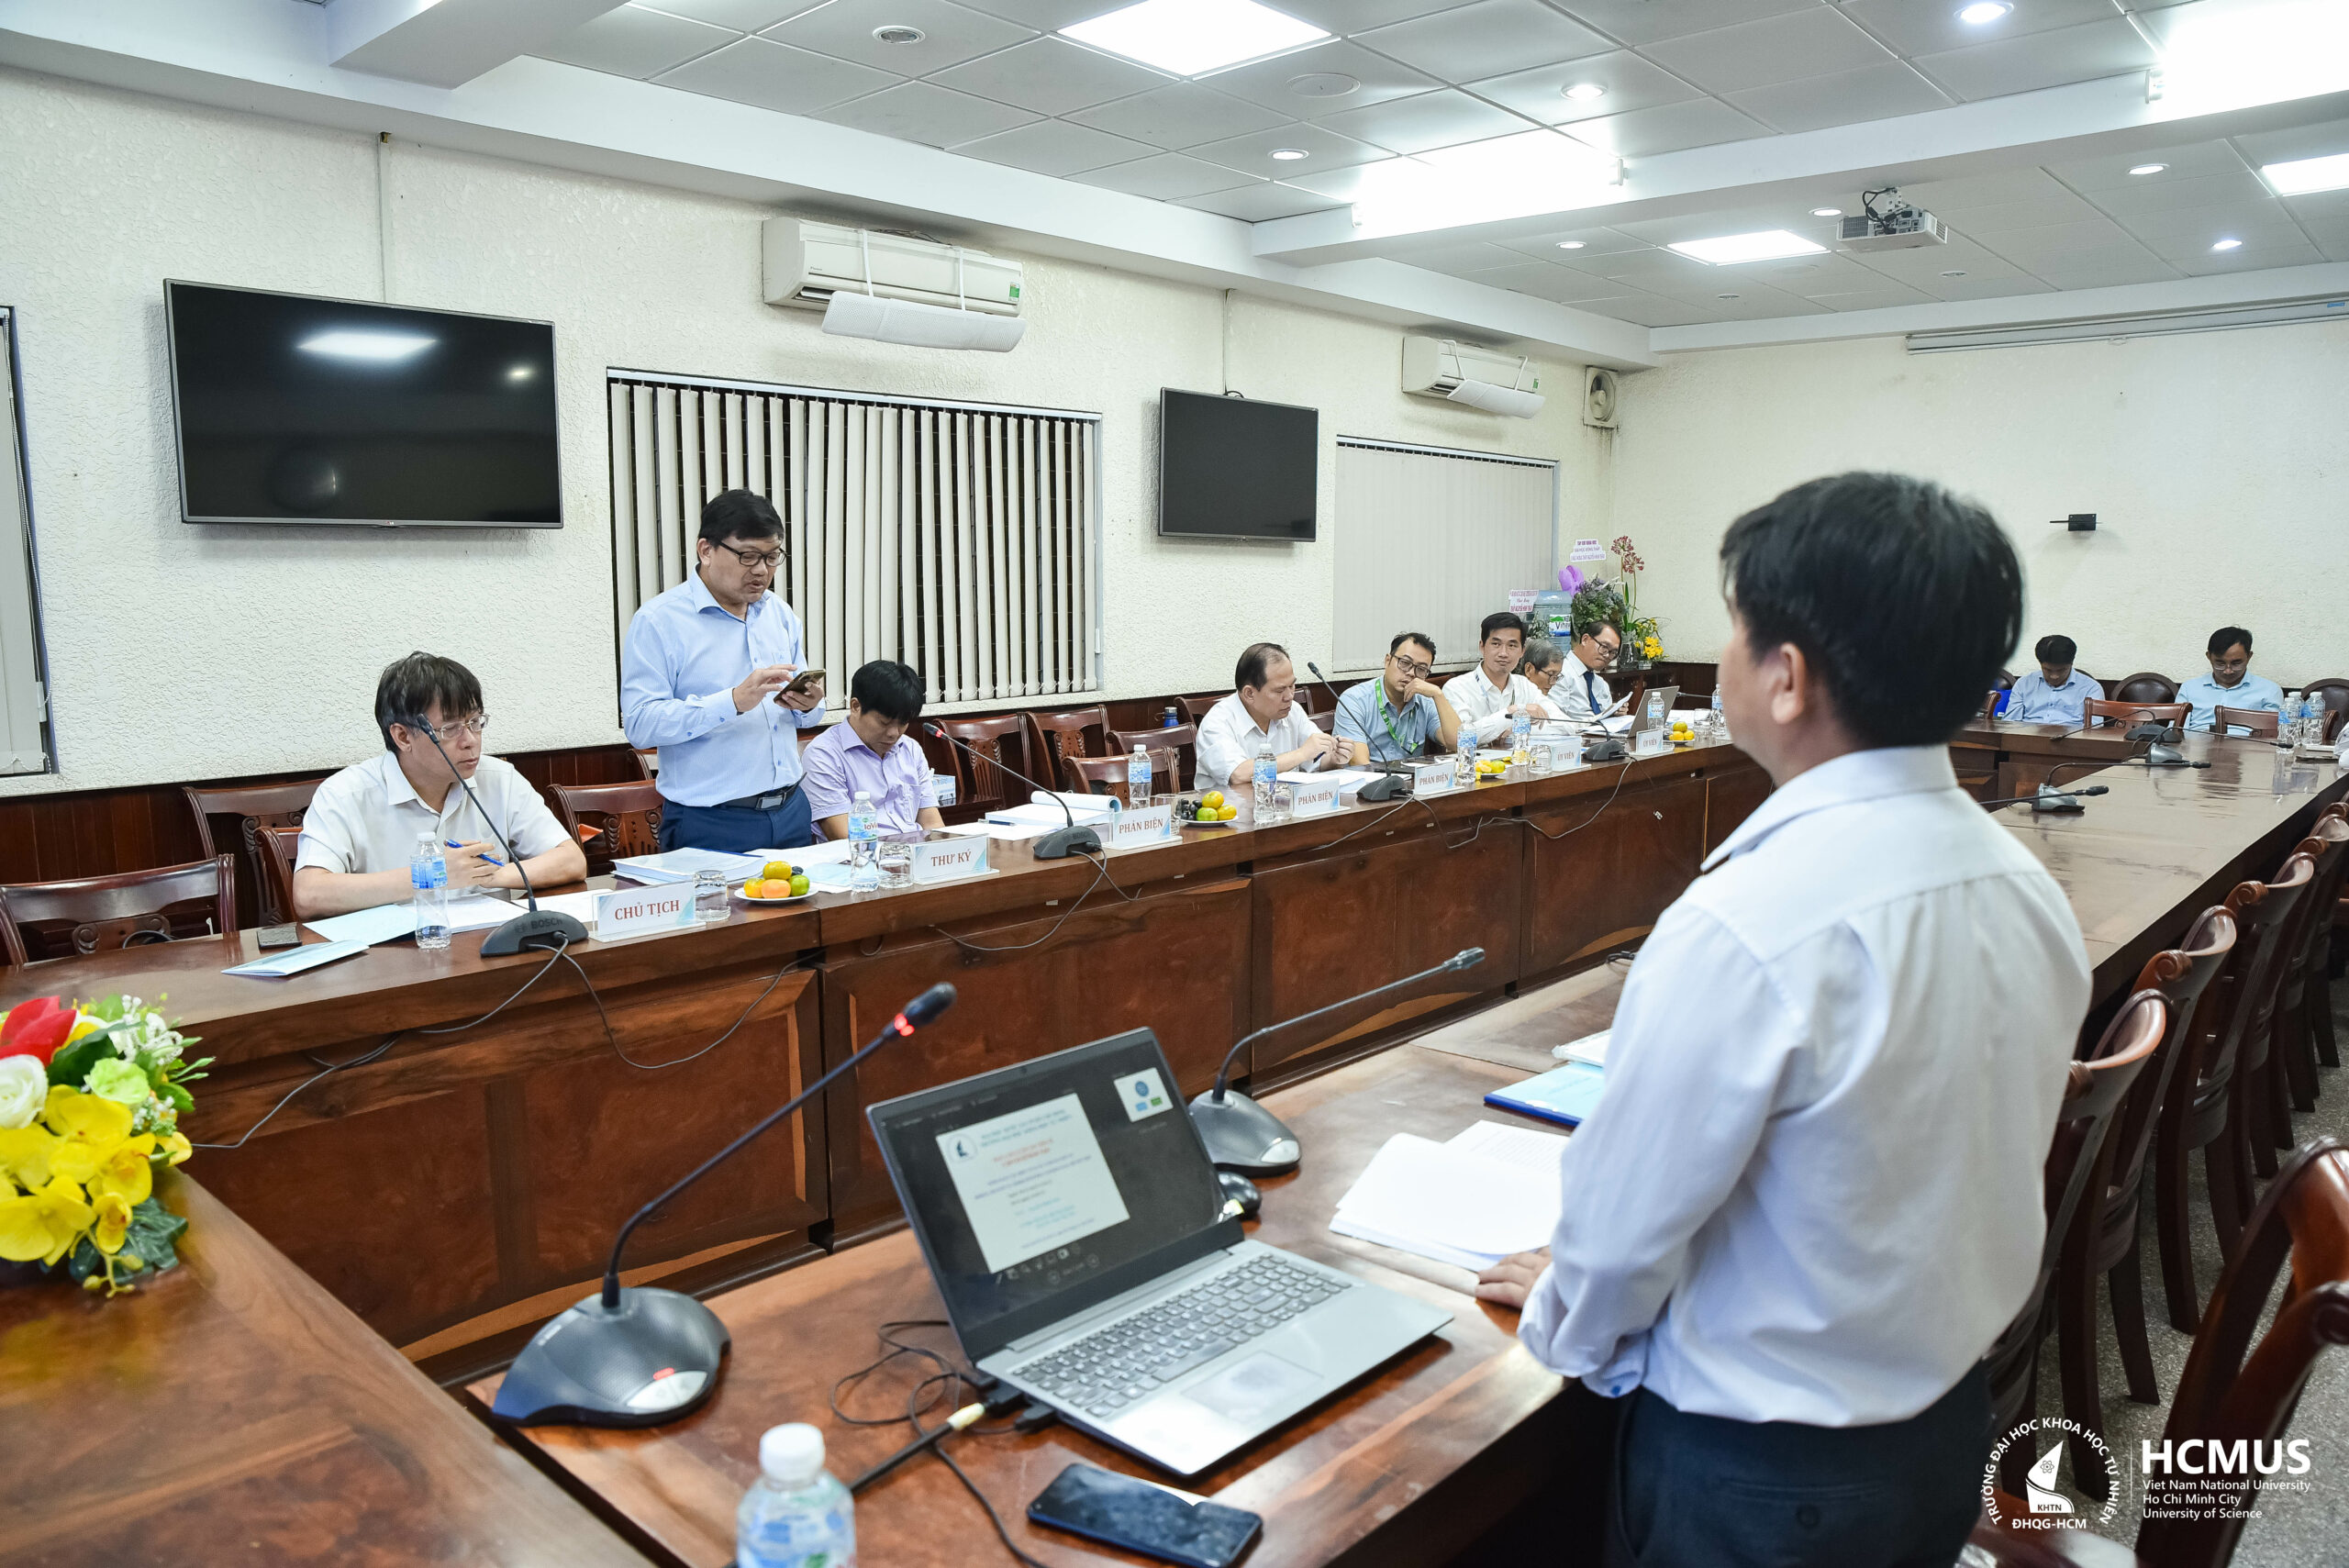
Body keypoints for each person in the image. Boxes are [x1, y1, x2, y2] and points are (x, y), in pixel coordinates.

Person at [1473, 473, 2088, 1568]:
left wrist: (1565, 1305)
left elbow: (1622, 1225)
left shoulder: (1748, 919)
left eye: (1734, 628)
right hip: (1946, 1425)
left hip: (1761, 1477)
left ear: (1787, 677)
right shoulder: (2020, 881)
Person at [295, 652, 585, 919]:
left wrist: (485, 873)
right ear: (403, 737)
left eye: (474, 722)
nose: (470, 740)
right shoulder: (345, 794)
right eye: (451, 728)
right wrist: (434, 874)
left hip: (487, 947)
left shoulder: (499, 778)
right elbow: (309, 894)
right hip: (390, 953)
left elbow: (571, 861)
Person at [620, 490, 828, 852]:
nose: (762, 570)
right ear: (706, 550)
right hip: (711, 822)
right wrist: (731, 702)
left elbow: (805, 717)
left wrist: (808, 704)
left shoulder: (778, 613)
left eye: (772, 556)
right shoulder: (659, 621)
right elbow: (640, 724)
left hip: (791, 810)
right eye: (748, 556)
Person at [802, 661, 946, 840]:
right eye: (884, 722)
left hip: (916, 853)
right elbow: (845, 838)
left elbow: (933, 825)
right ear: (856, 706)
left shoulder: (910, 748)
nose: (894, 734)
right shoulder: (823, 755)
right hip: (863, 854)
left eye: (903, 723)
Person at [1196, 642, 1350, 787]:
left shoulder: (1293, 711)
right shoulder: (1217, 722)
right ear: (1249, 693)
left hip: (1285, 804)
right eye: (1279, 690)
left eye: (1292, 685)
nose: (1289, 696)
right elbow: (1238, 774)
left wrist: (1335, 759)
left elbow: (1317, 760)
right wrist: (1302, 753)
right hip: (1232, 806)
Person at [1333, 632, 1463, 764]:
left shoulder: (1425, 702)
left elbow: (1458, 744)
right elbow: (1360, 764)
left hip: (1412, 776)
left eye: (1421, 669)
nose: (1411, 673)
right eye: (1405, 663)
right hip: (1369, 776)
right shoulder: (1354, 700)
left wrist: (1438, 695)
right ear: (1387, 661)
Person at [1444, 612, 1550, 745]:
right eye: (1496, 644)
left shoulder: (1525, 685)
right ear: (1482, 646)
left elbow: (1566, 725)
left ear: (1522, 651)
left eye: (1512, 646)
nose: (1503, 653)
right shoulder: (1456, 688)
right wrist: (1512, 711)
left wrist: (1519, 728)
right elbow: (1460, 737)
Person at [2177, 625, 2284, 735]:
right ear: (2209, 656)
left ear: (2249, 656)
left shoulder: (2269, 690)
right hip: (2196, 743)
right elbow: (2175, 731)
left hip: (2247, 744)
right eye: (2220, 663)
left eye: (2236, 663)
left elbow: (2270, 735)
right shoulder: (2189, 688)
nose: (2228, 671)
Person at [2000, 634, 2099, 724]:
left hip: (2073, 737)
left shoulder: (2091, 688)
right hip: (2027, 735)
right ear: (2040, 664)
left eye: (2061, 670)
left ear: (2071, 663)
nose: (2054, 676)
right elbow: (2010, 723)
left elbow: (2095, 730)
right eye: (2048, 670)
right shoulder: (2024, 684)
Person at [1557, 619, 1623, 724]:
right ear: (1585, 640)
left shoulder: (1601, 684)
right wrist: (1598, 719)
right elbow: (1555, 721)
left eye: (1613, 652)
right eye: (1604, 647)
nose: (1607, 655)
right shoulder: (1559, 673)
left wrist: (1614, 714)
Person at [1517, 636, 1571, 721]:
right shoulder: (1514, 692)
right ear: (1529, 669)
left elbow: (1564, 722)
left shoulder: (1541, 698)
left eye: (1557, 676)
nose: (1553, 683)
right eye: (1550, 674)